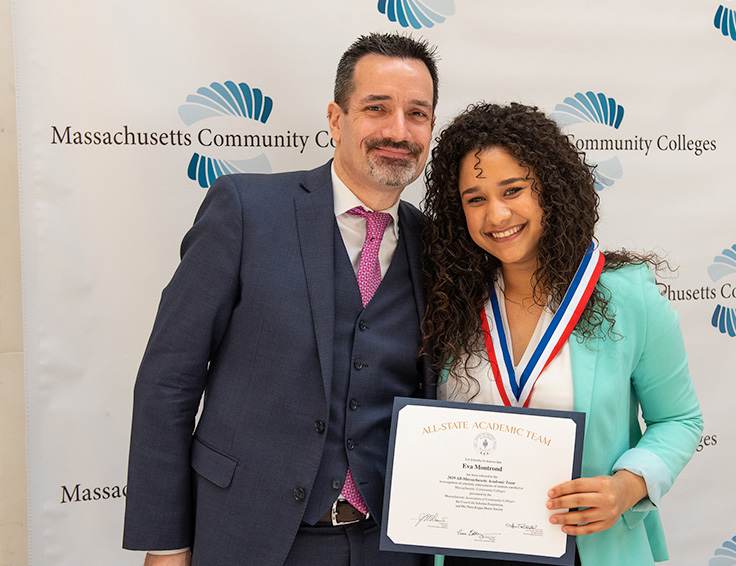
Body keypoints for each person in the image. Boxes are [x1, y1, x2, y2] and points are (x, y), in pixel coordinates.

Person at [123, 33, 439, 566]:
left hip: (389, 546)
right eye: (376, 108)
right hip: (250, 536)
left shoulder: (434, 247)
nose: (398, 131)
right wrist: (167, 541)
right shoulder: (246, 210)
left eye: (418, 113)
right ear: (337, 119)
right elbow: (168, 380)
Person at [421, 102, 702, 565]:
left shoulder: (624, 295)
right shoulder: (448, 297)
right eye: (475, 199)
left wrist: (627, 486)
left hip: (586, 550)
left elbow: (680, 420)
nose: (496, 215)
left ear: (549, 190)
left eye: (512, 190)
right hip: (467, 547)